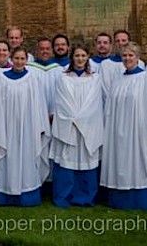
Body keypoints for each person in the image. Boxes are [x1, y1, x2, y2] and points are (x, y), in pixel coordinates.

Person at [100, 42, 147, 210]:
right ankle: (119, 199)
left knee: (138, 163)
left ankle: (140, 200)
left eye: (131, 55)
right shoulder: (118, 79)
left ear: (138, 57)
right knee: (120, 161)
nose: (127, 59)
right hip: (118, 130)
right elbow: (110, 107)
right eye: (124, 56)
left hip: (139, 131)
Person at [0, 47, 50, 206]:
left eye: (22, 59)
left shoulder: (32, 79)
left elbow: (39, 106)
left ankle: (27, 196)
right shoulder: (2, 79)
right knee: (7, 158)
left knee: (27, 159)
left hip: (28, 128)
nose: (19, 62)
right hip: (7, 128)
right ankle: (6, 195)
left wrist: (39, 127)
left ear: (26, 60)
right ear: (11, 58)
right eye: (16, 58)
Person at [50, 44, 104, 208]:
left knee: (86, 160)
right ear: (72, 58)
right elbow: (62, 101)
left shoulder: (95, 78)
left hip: (88, 126)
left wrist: (83, 119)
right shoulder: (63, 78)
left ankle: (86, 196)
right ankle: (64, 195)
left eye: (83, 55)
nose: (80, 59)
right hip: (70, 125)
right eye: (77, 56)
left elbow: (94, 103)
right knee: (67, 160)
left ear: (88, 57)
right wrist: (74, 118)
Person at [28, 36, 64, 119]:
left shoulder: (59, 70)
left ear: (52, 50)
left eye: (47, 49)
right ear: (36, 51)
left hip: (55, 116)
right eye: (41, 49)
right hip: (35, 116)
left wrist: (55, 113)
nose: (45, 51)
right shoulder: (29, 69)